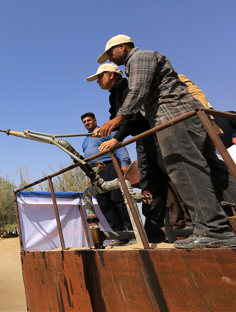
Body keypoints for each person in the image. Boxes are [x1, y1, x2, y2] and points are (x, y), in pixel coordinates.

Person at [95, 34, 236, 249]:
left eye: (111, 53)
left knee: (186, 171)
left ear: (122, 47)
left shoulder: (138, 59)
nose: (111, 58)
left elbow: (138, 91)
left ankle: (212, 229)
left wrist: (117, 119)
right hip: (187, 117)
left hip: (171, 120)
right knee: (214, 170)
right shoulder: (143, 59)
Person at [86, 63, 175, 242]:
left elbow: (131, 117)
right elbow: (117, 119)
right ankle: (152, 231)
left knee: (178, 176)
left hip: (155, 135)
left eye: (99, 77)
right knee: (149, 182)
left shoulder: (127, 88)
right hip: (142, 140)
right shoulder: (113, 97)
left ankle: (209, 221)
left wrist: (116, 139)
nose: (97, 82)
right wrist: (107, 128)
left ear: (111, 75)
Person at [81, 112, 133, 245]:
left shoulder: (105, 131)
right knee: (105, 204)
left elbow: (118, 146)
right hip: (96, 173)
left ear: (95, 120)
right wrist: (90, 175)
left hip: (109, 167)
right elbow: (87, 159)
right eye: (85, 122)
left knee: (118, 200)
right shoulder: (85, 140)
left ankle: (133, 232)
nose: (87, 123)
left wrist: (125, 163)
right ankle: (120, 235)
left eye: (89, 120)